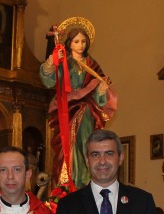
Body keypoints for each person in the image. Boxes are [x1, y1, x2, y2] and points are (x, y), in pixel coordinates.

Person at [40, 24, 117, 189]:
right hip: (67, 111)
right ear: (69, 43)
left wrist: (102, 90)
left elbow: (99, 95)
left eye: (83, 41)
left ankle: (85, 181)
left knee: (86, 145)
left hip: (87, 112)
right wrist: (51, 62)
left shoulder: (92, 64)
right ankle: (68, 183)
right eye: (76, 41)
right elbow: (49, 81)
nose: (80, 45)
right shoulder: (64, 62)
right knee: (68, 146)